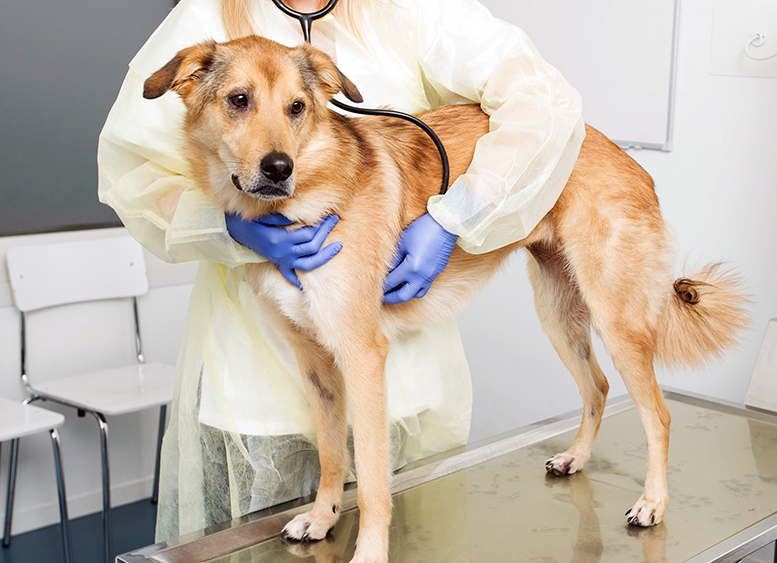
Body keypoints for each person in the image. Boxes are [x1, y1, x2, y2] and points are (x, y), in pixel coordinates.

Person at [98, 0, 584, 541]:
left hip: (406, 379)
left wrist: (459, 214)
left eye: (293, 108)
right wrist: (226, 228)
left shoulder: (412, 9)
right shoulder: (204, 16)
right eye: (239, 102)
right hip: (253, 389)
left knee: (406, 545)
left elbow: (543, 103)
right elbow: (129, 169)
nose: (274, 144)